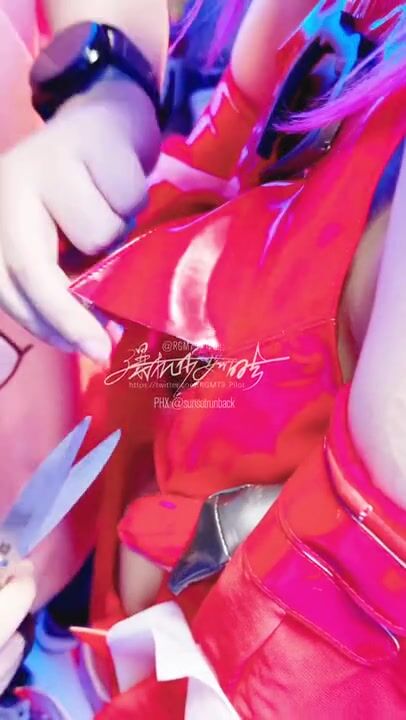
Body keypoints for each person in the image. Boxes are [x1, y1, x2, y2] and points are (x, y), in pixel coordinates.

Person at [0, 0, 405, 717]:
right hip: (110, 542)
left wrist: (100, 85)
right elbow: (233, 147)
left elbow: (346, 608)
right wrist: (107, 99)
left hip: (177, 635)